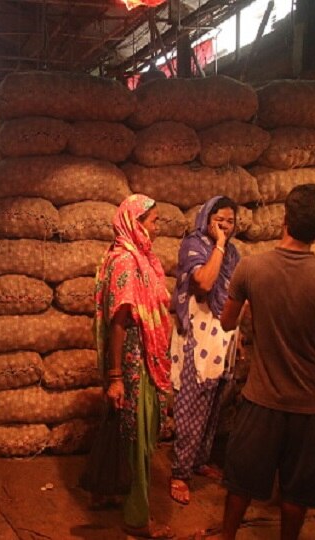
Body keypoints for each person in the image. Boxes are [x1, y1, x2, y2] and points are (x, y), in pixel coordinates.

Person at [217, 184, 315, 540]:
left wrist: (255, 310)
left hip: (260, 399)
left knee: (241, 484)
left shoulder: (251, 268)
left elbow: (227, 322)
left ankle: (227, 537)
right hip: (307, 404)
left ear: (284, 219)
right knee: (296, 493)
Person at [93, 194, 174, 539]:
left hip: (139, 360)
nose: (156, 229)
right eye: (153, 221)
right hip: (133, 363)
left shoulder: (136, 257)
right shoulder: (127, 261)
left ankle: (107, 489)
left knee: (124, 429)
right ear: (135, 222)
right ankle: (137, 517)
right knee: (139, 436)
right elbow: (119, 321)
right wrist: (116, 377)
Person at [169, 196, 240, 505]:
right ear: (206, 218)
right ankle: (179, 473)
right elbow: (205, 284)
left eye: (230, 221)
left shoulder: (234, 253)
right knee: (191, 403)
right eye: (220, 220)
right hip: (197, 336)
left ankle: (199, 461)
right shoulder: (193, 245)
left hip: (223, 335)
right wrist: (220, 245)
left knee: (213, 404)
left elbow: (237, 296)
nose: (225, 226)